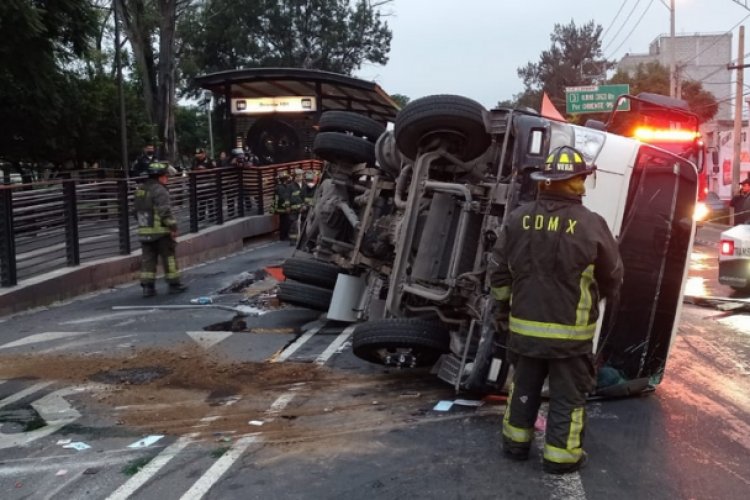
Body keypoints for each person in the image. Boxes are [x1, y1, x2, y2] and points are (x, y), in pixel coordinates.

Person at [489, 146, 623, 475]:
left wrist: (503, 310)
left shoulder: (518, 218)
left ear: (546, 180)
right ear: (578, 181)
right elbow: (614, 276)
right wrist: (595, 300)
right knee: (567, 397)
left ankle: (515, 445)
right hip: (571, 337)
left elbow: (499, 274)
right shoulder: (592, 224)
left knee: (524, 387)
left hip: (523, 330)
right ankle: (561, 457)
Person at [133, 161, 188, 297]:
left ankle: (148, 287)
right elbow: (165, 211)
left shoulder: (140, 190)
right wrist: (173, 227)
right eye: (165, 176)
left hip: (145, 231)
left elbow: (135, 211)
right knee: (168, 258)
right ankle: (174, 284)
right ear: (159, 176)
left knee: (148, 259)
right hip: (161, 232)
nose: (167, 178)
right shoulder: (160, 190)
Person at [273, 171, 293, 241]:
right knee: (285, 222)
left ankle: (283, 236)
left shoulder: (281, 186)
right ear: (285, 179)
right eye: (287, 178)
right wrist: (287, 206)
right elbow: (283, 197)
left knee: (284, 221)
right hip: (283, 207)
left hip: (282, 207)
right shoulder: (281, 187)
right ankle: (284, 236)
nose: (288, 180)